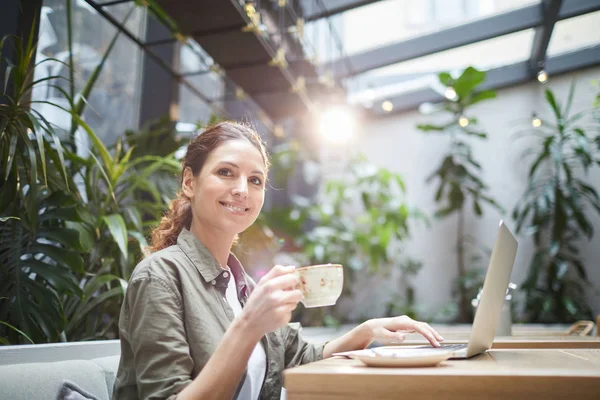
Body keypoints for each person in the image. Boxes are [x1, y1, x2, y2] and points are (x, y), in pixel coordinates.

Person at [112, 121, 444, 400]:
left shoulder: (245, 286)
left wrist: (366, 331)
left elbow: (297, 356)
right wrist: (248, 326)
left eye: (255, 180)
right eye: (226, 172)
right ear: (189, 182)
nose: (242, 189)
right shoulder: (159, 277)